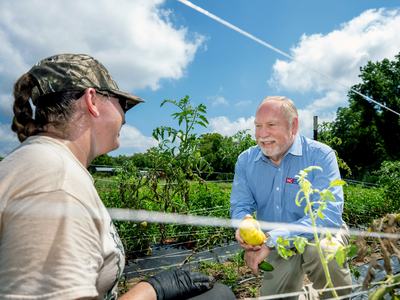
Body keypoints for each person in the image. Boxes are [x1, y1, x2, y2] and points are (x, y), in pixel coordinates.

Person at [0, 53, 235, 300]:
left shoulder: (45, 163)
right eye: (122, 104)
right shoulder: (57, 184)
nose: (124, 116)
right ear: (92, 100)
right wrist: (149, 291)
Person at [230, 96, 352, 299]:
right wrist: (244, 227)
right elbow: (240, 205)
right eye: (258, 126)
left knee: (324, 252)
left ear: (293, 125)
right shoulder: (246, 161)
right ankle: (308, 295)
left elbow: (328, 216)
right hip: (276, 243)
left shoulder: (320, 155)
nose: (262, 134)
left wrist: (271, 241)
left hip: (318, 233)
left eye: (270, 125)